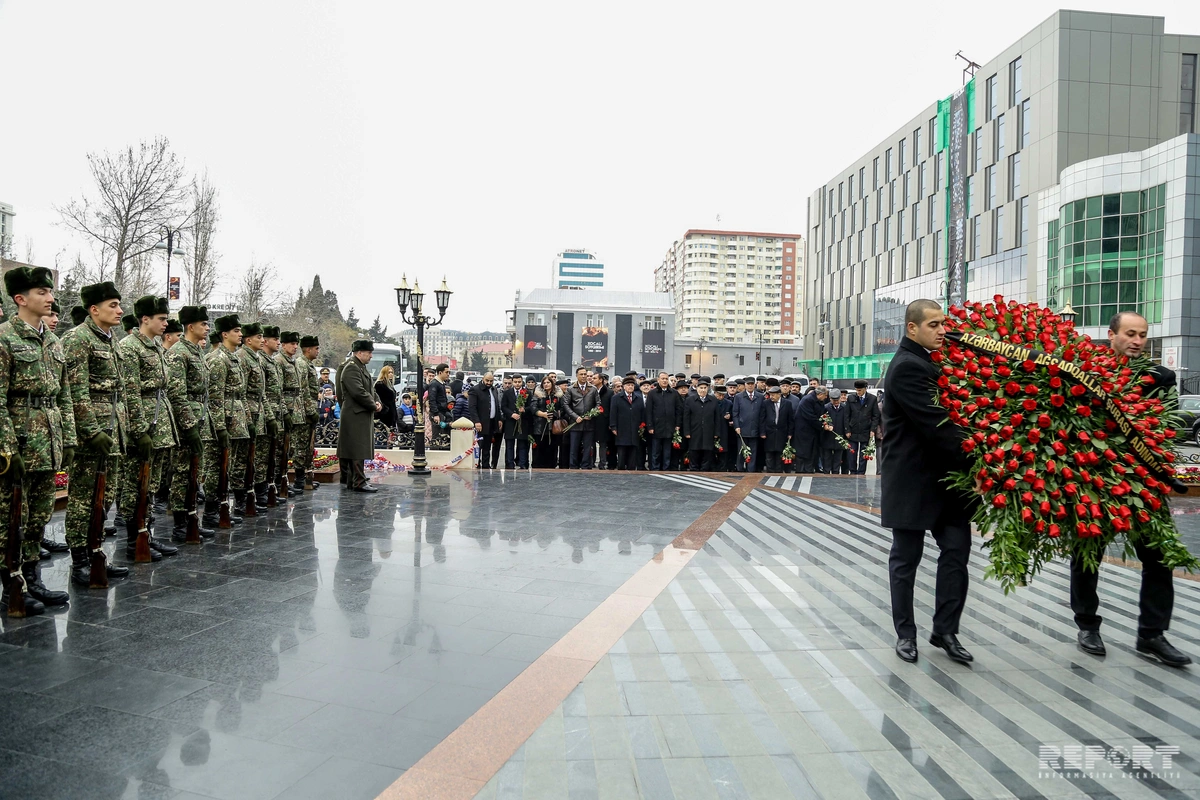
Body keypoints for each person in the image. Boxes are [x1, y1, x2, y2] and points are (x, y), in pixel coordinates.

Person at [1069, 312, 1190, 666]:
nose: (1137, 341)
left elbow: (1166, 427)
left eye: (1142, 335)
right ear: (1111, 335)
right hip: (1097, 480)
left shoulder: (1160, 377)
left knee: (1159, 557)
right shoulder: (1088, 373)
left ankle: (1152, 634)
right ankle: (1087, 625)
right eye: (1130, 334)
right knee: (1087, 554)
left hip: (1143, 481)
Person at [881, 299, 975, 665]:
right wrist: (985, 459)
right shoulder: (908, 366)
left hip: (947, 483)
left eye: (943, 324)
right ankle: (906, 634)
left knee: (956, 553)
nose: (942, 331)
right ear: (912, 328)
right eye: (934, 325)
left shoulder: (934, 360)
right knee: (906, 560)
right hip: (913, 481)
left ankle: (945, 631)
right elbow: (937, 426)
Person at [0, 266, 75, 613]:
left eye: (50, 292)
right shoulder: (4, 338)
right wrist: (7, 449)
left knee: (38, 516)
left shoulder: (54, 341)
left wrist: (69, 439)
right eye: (42, 292)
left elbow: (63, 395)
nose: (50, 298)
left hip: (50, 441)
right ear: (20, 298)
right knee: (11, 518)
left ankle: (32, 579)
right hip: (20, 441)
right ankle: (11, 585)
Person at [61, 281, 133, 587]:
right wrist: (91, 431)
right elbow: (75, 390)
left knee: (106, 495)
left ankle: (96, 551)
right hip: (92, 433)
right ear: (94, 309)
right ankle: (80, 560)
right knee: (83, 497)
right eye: (112, 306)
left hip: (113, 429)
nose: (120, 311)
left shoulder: (111, 340)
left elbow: (119, 390)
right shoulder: (78, 338)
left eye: (119, 305)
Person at [117, 295, 181, 560]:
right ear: (145, 319)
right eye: (161, 319)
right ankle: (134, 540)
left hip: (159, 421)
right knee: (136, 483)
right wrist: (139, 431)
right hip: (143, 422)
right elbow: (130, 392)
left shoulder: (154, 345)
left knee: (151, 484)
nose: (166, 324)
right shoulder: (130, 347)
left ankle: (146, 534)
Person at [166, 305, 217, 536]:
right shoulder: (179, 353)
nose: (207, 328)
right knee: (183, 471)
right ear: (190, 326)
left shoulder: (196, 352)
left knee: (195, 472)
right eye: (203, 324)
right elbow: (177, 394)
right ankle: (180, 524)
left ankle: (191, 517)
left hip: (200, 416)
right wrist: (189, 427)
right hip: (186, 422)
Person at [208, 315, 253, 516]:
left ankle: (224, 506)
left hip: (236, 418)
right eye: (236, 331)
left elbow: (241, 395)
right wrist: (219, 427)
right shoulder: (218, 359)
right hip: (225, 419)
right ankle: (212, 512)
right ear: (224, 334)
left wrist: (248, 421)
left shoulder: (234, 358)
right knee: (217, 466)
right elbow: (215, 396)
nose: (240, 334)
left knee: (232, 464)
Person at [338, 340, 381, 492]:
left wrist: (377, 401)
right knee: (356, 449)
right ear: (359, 353)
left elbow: (370, 390)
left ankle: (354, 480)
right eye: (369, 353)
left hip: (360, 413)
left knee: (358, 448)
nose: (371, 356)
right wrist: (373, 404)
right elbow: (358, 392)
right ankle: (358, 481)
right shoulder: (351, 368)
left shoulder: (360, 367)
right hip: (354, 414)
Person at [235, 322, 269, 511]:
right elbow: (242, 393)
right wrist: (248, 420)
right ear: (248, 340)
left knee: (257, 457)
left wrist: (269, 417)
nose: (262, 340)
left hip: (258, 412)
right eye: (259, 337)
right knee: (242, 459)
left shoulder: (255, 358)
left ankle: (255, 495)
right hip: (247, 414)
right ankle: (241, 501)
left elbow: (261, 393)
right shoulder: (242, 358)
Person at [274, 331, 304, 498]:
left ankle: (283, 480)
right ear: (283, 345)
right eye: (292, 343)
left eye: (296, 343)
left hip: (295, 409)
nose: (295, 346)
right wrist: (285, 411)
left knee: (289, 449)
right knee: (280, 449)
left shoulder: (293, 362)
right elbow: (278, 390)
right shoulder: (279, 361)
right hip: (285, 409)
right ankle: (277, 483)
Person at [292, 335, 321, 491]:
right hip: (303, 412)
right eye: (316, 348)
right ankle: (299, 479)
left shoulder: (308, 364)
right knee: (301, 446)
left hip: (308, 410)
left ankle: (305, 478)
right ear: (308, 349)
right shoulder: (301, 364)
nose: (318, 351)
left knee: (308, 446)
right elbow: (303, 390)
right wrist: (310, 411)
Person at [682, 377, 721, 472]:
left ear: (708, 389)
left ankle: (705, 471)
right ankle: (694, 470)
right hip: (694, 431)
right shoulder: (690, 400)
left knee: (707, 453)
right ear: (697, 388)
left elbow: (717, 418)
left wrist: (716, 432)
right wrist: (687, 432)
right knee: (694, 452)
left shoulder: (713, 400)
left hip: (709, 431)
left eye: (705, 388)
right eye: (701, 388)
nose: (703, 390)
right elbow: (686, 417)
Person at [468, 371, 503, 469]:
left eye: (491, 381)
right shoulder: (475, 390)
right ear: (483, 379)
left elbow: (496, 405)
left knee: (488, 446)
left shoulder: (494, 389)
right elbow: (472, 407)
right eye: (487, 380)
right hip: (481, 422)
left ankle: (486, 465)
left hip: (491, 422)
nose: (489, 383)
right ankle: (477, 464)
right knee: (479, 445)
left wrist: (499, 419)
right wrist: (476, 421)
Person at [565, 366, 598, 469]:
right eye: (581, 374)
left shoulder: (593, 389)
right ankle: (573, 466)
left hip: (589, 423)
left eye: (585, 374)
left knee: (588, 447)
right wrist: (575, 417)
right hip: (575, 423)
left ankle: (586, 465)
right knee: (574, 447)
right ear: (577, 375)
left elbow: (598, 404)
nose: (583, 376)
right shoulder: (571, 389)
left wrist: (591, 414)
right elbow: (566, 405)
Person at [609, 376, 645, 470]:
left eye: (632, 385)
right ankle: (621, 470)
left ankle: (631, 470)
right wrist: (613, 427)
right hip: (621, 428)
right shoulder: (616, 398)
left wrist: (642, 426)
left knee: (633, 452)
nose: (630, 387)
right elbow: (613, 413)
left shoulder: (638, 398)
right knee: (622, 452)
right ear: (624, 386)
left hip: (635, 429)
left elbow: (642, 413)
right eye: (628, 385)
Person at [645, 372, 679, 471]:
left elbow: (678, 410)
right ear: (658, 380)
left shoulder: (674, 393)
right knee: (656, 451)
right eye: (662, 378)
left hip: (669, 426)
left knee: (667, 451)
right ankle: (655, 468)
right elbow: (649, 411)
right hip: (656, 427)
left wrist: (677, 424)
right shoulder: (652, 393)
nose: (664, 380)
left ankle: (666, 469)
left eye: (666, 379)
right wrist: (650, 426)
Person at [846, 380, 881, 475]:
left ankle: (861, 472)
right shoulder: (851, 398)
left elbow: (875, 416)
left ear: (865, 389)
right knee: (852, 453)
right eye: (857, 390)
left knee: (863, 454)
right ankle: (852, 471)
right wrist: (847, 429)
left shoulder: (872, 399)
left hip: (866, 430)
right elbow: (846, 415)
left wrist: (873, 429)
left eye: (860, 390)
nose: (858, 392)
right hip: (853, 429)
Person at [793, 385, 827, 473]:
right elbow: (810, 417)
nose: (826, 397)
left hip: (813, 431)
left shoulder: (819, 401)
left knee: (811, 453)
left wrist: (826, 422)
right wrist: (822, 425)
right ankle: (801, 471)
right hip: (803, 432)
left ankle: (809, 471)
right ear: (820, 394)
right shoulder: (807, 400)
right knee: (802, 453)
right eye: (825, 395)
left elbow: (823, 413)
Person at [732, 376, 764, 472]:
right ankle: (740, 469)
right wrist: (737, 426)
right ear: (745, 385)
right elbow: (735, 413)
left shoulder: (760, 396)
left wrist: (761, 430)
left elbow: (762, 414)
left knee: (753, 452)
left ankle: (751, 471)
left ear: (755, 385)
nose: (750, 386)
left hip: (755, 429)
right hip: (742, 429)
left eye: (751, 384)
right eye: (748, 384)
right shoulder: (739, 397)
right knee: (741, 451)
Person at [759, 385, 793, 473]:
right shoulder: (766, 403)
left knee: (780, 453)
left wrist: (790, 433)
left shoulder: (787, 403)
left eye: (773, 395)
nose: (771, 397)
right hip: (769, 432)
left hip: (782, 432)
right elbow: (762, 419)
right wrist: (762, 432)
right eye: (770, 395)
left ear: (779, 394)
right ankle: (770, 471)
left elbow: (790, 420)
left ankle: (779, 472)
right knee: (769, 454)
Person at [532, 374, 562, 468]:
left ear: (552, 384)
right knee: (539, 448)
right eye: (544, 383)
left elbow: (562, 408)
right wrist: (543, 414)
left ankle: (551, 466)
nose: (546, 384)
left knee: (552, 447)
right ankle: (538, 466)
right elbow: (533, 408)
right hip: (540, 426)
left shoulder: (557, 396)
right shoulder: (537, 395)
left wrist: (555, 414)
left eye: (548, 382)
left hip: (553, 426)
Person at [820, 388, 850, 474]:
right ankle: (826, 473)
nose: (836, 402)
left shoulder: (845, 408)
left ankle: (836, 474)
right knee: (827, 458)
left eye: (837, 400)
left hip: (840, 437)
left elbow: (847, 421)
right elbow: (822, 420)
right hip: (828, 437)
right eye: (834, 400)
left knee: (838, 459)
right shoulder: (826, 407)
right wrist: (826, 425)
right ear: (830, 399)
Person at [515, 376, 538, 469]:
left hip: (535, 422)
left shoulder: (538, 392)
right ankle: (523, 463)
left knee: (533, 444)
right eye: (529, 382)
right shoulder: (523, 392)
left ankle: (534, 463)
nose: (530, 384)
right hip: (524, 422)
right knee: (523, 444)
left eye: (532, 382)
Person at [500, 375, 519, 469]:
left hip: (517, 421)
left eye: (509, 383)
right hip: (505, 420)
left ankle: (518, 462)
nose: (507, 385)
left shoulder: (522, 392)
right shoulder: (501, 392)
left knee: (520, 444)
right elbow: (502, 406)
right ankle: (509, 463)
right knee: (508, 444)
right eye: (505, 383)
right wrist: (511, 414)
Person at [374, 364, 399, 431]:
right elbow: (378, 399)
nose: (391, 374)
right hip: (384, 414)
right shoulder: (380, 385)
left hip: (391, 413)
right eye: (389, 372)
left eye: (392, 372)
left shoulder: (390, 385)